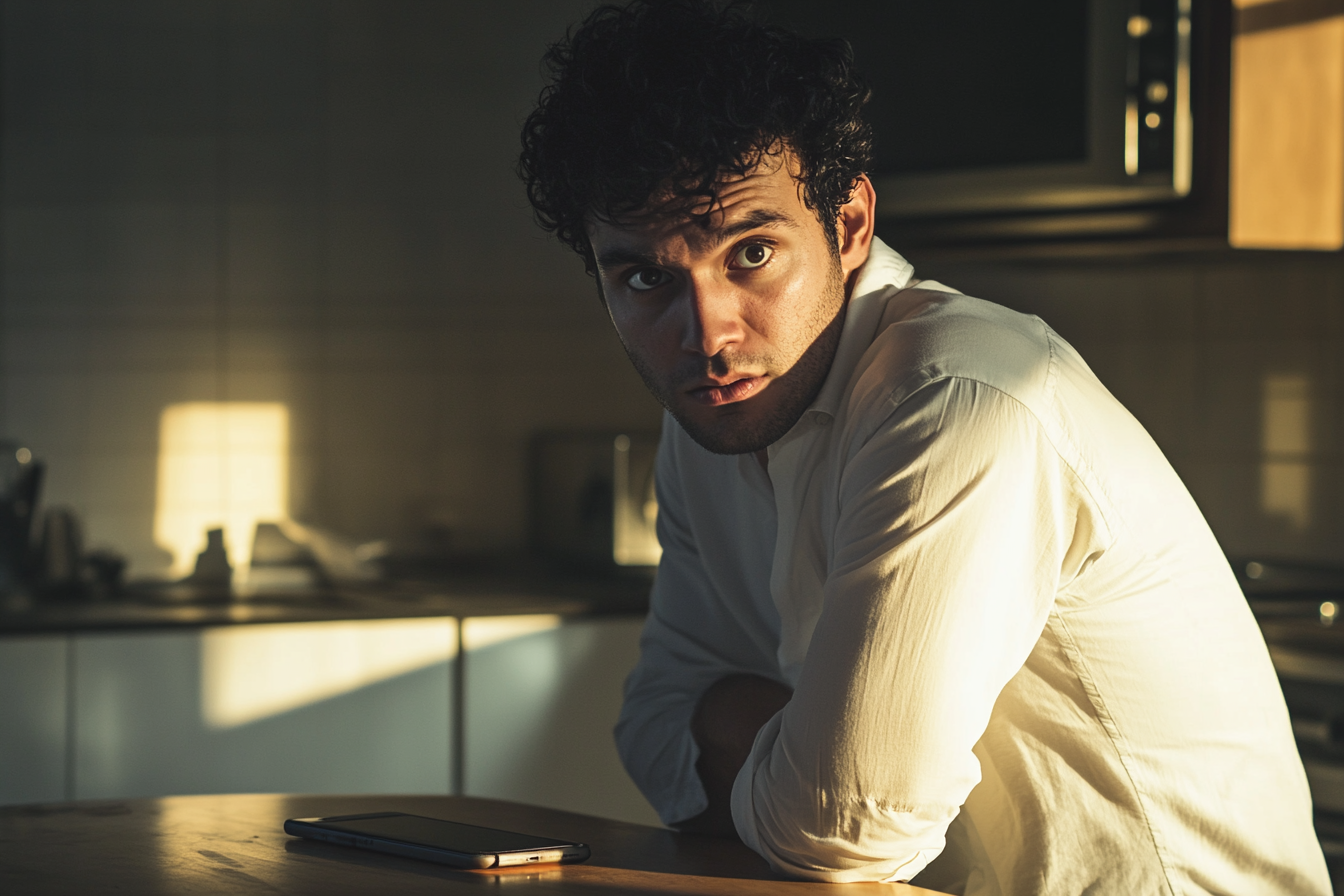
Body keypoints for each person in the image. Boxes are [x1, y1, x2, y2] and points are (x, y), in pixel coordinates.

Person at [517, 1, 1331, 893]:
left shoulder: (961, 399)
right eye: (645, 277)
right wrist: (800, 761)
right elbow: (654, 725)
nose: (705, 332)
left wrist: (779, 748)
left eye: (751, 253)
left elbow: (838, 831)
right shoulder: (708, 419)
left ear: (850, 224)